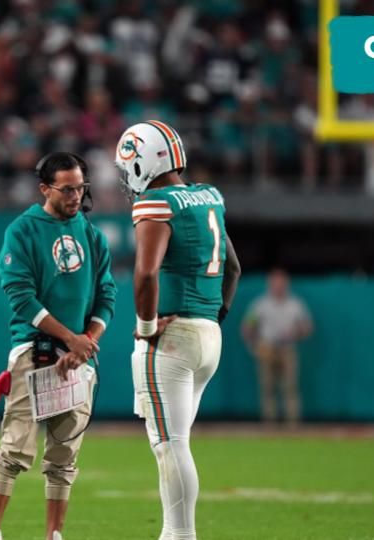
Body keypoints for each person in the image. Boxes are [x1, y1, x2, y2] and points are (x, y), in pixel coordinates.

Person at [115, 120, 241, 540]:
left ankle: (180, 535)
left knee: (169, 445)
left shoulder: (155, 203)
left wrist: (146, 327)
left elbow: (145, 275)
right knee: (177, 441)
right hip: (209, 335)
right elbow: (233, 267)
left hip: (173, 339)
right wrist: (214, 314)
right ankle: (175, 534)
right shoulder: (209, 197)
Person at [0, 152, 116, 540]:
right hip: (33, 350)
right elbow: (21, 298)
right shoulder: (22, 230)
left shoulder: (92, 233)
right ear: (45, 188)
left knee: (64, 456)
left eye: (81, 187)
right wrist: (69, 338)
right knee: (14, 449)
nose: (76, 195)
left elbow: (107, 295)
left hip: (77, 358)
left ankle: (54, 535)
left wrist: (84, 342)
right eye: (68, 188)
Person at [242, 268, 313, 425]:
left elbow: (307, 327)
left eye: (281, 283)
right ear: (270, 284)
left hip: (287, 349)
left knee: (290, 387)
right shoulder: (261, 304)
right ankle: (270, 424)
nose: (278, 286)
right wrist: (253, 346)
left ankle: (293, 425)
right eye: (275, 283)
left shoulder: (295, 304)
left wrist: (296, 333)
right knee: (268, 387)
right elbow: (248, 326)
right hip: (267, 348)